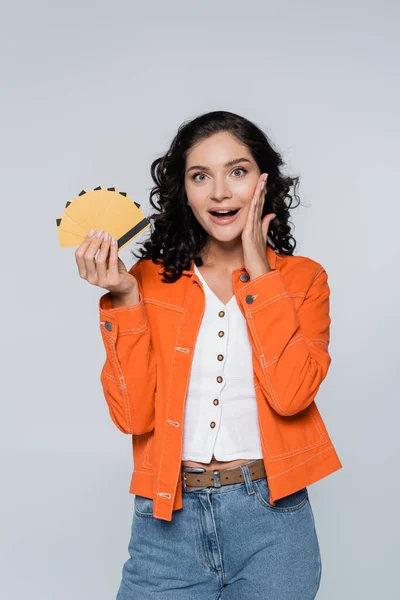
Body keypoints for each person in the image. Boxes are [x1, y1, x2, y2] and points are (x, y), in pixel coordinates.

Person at [75, 110, 342, 599]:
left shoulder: (304, 279)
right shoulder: (147, 281)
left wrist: (261, 272)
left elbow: (292, 395)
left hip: (274, 524)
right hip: (166, 521)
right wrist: (125, 299)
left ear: (263, 182)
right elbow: (135, 416)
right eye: (201, 176)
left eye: (237, 172)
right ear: (185, 191)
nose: (220, 192)